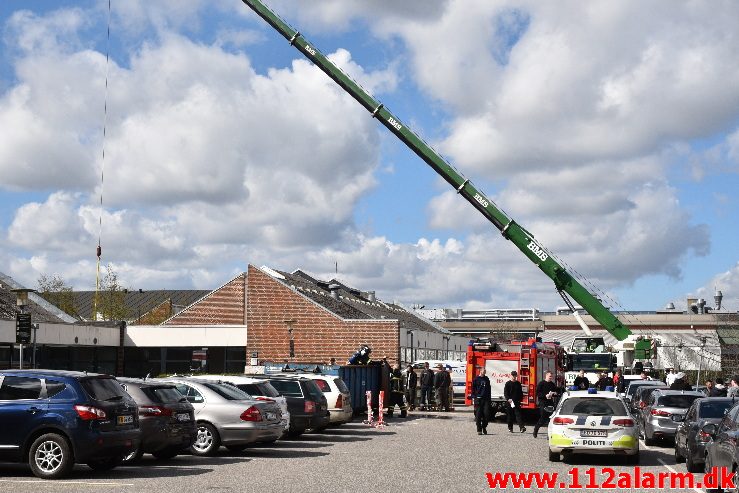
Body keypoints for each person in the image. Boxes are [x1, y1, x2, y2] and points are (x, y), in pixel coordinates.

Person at [533, 371, 558, 439]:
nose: (551, 378)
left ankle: (549, 435)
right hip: (543, 402)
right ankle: (535, 430)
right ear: (546, 376)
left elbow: (556, 392)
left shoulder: (552, 384)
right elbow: (537, 393)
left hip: (550, 402)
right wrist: (545, 395)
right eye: (550, 376)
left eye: (551, 377)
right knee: (543, 418)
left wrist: (554, 393)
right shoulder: (541, 383)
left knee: (551, 418)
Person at [471, 368, 491, 435]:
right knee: (478, 415)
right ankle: (479, 429)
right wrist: (474, 397)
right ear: (480, 371)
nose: (484, 372)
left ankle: (484, 427)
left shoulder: (486, 379)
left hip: (486, 399)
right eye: (483, 371)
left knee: (487, 414)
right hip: (478, 398)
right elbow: (473, 389)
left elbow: (489, 389)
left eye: (485, 371)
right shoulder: (476, 379)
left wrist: (489, 398)